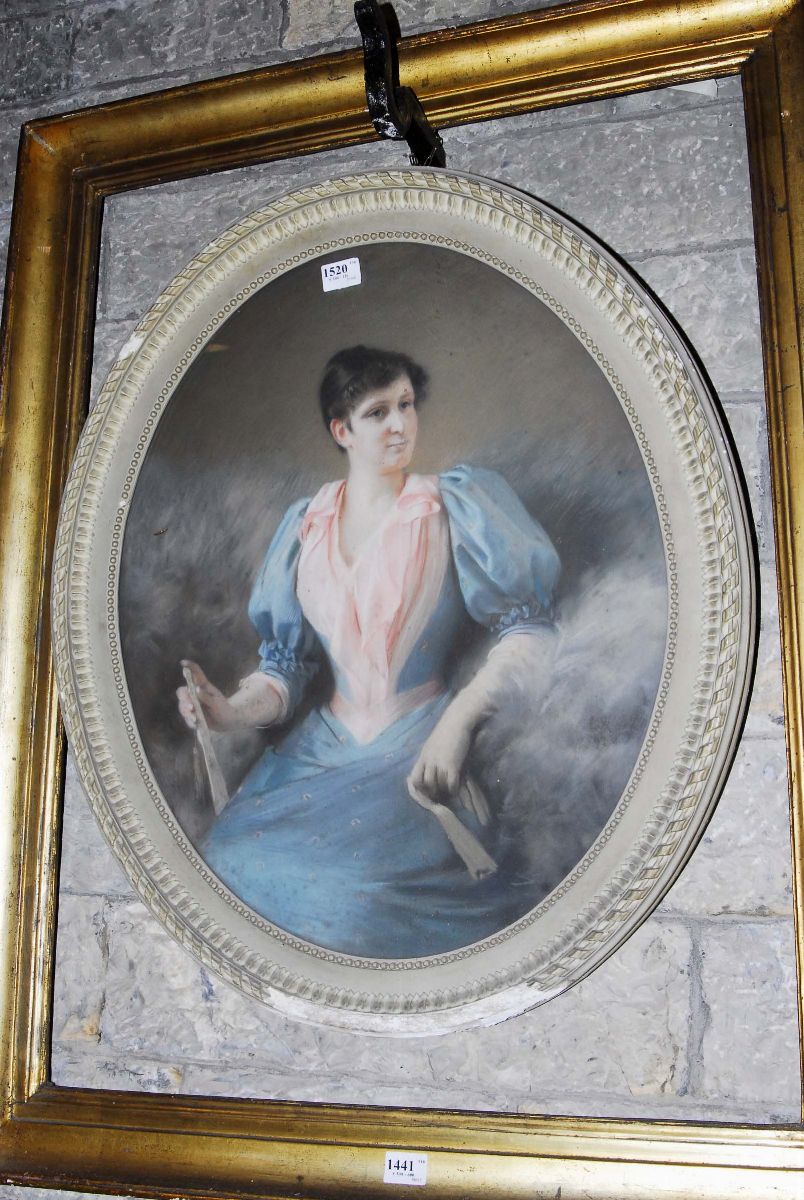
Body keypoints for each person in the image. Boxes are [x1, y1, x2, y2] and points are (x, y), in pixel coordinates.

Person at [178, 346, 560, 958]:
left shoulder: (456, 506)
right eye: (378, 412)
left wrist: (459, 723)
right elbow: (285, 668)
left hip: (418, 742)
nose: (400, 424)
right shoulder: (305, 524)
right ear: (342, 431)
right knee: (229, 857)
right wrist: (228, 712)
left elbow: (530, 631)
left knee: (359, 897)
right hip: (321, 750)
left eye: (406, 405)